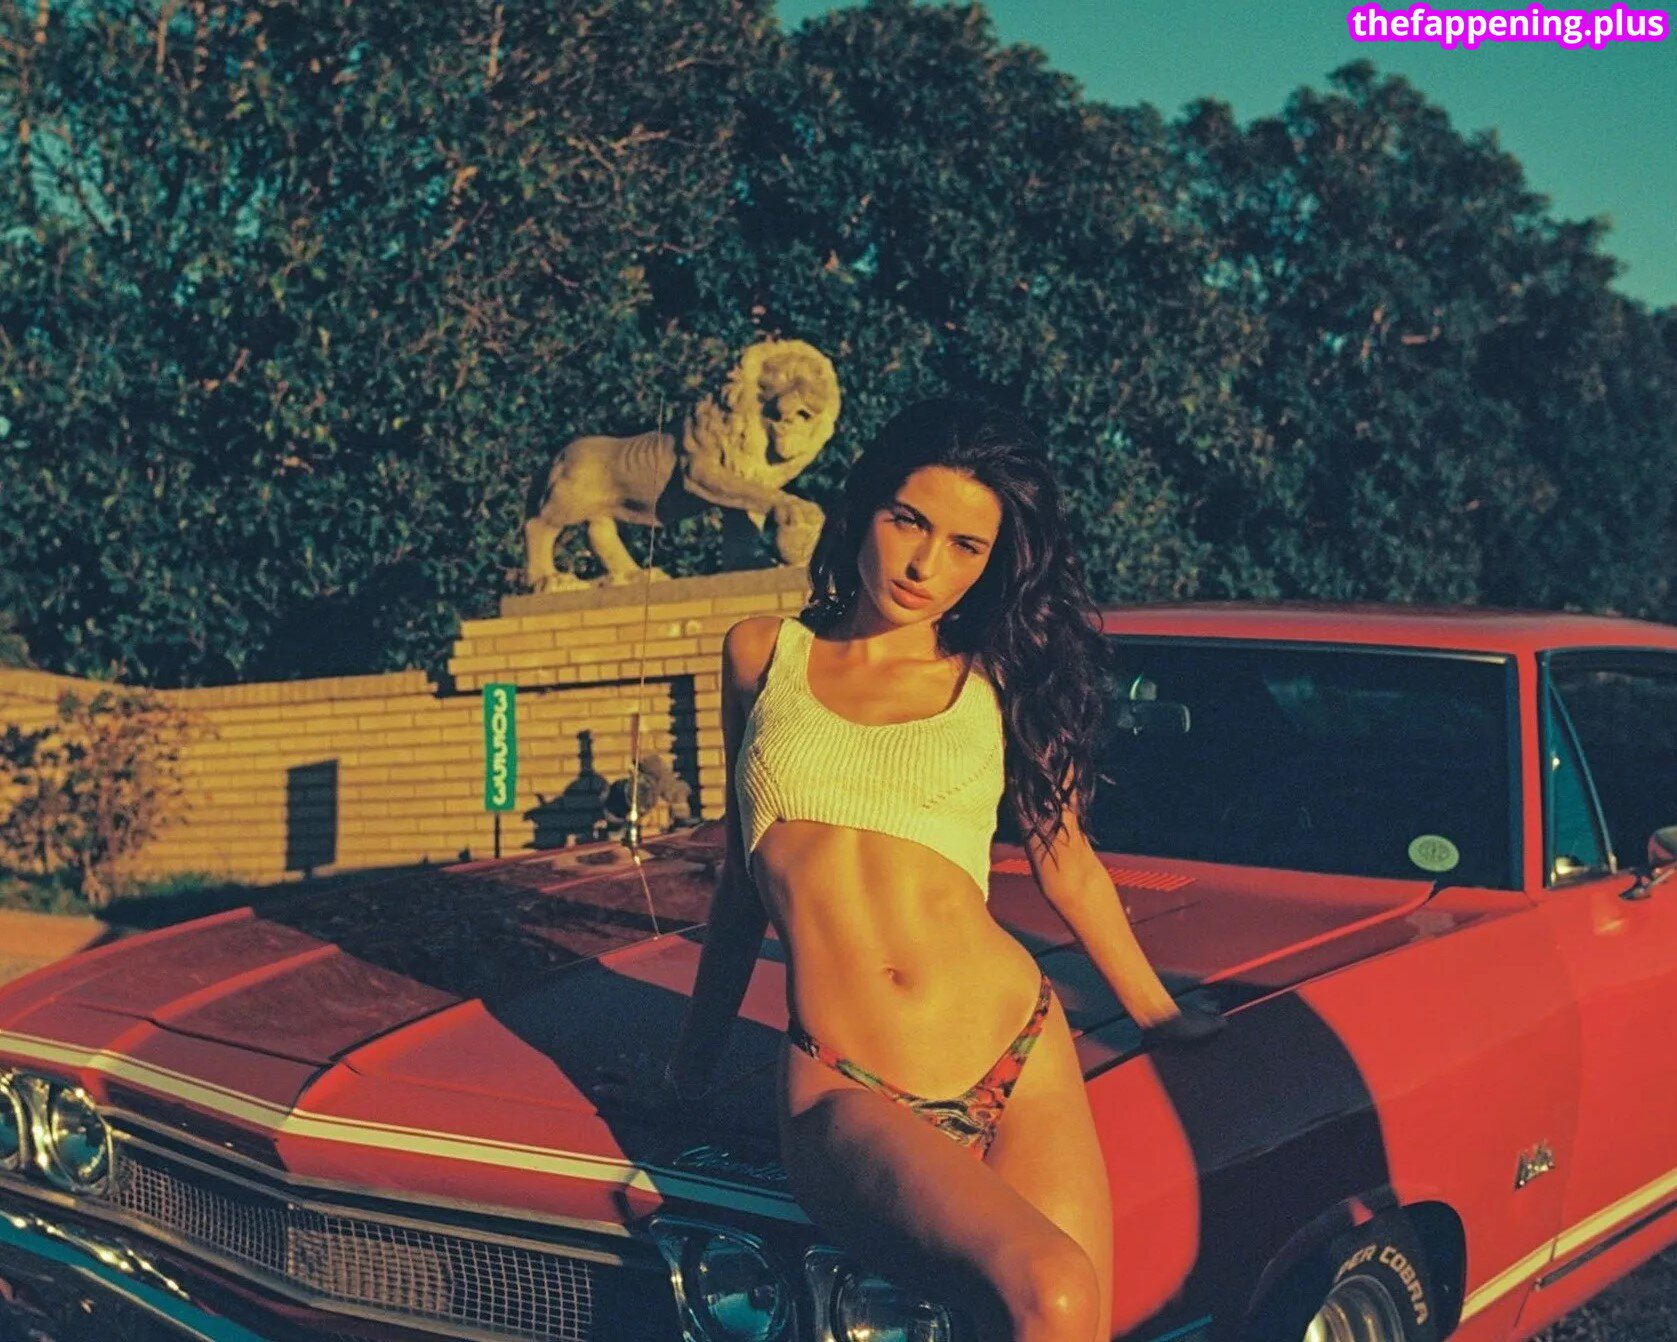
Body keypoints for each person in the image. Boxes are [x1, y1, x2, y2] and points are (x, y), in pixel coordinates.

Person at [594, 396, 1223, 1342]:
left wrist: (1162, 1017)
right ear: (863, 510)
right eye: (908, 521)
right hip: (847, 1082)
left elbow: (1068, 868)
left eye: (966, 546)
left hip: (1019, 1049)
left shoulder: (997, 677)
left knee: (1073, 1320)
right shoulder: (764, 655)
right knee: (1051, 1286)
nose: (926, 564)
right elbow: (739, 888)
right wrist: (687, 1079)